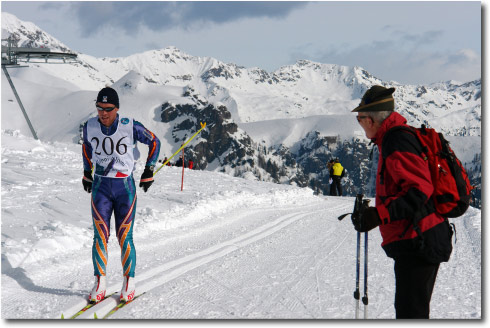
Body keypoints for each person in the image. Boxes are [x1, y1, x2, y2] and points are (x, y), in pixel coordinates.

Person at [351, 85, 453, 319]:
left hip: (420, 240)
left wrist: (379, 215)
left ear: (372, 119)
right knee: (411, 311)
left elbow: (419, 190)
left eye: (360, 118)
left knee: (411, 314)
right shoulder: (392, 137)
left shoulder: (396, 140)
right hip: (418, 239)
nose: (359, 123)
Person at [81, 87, 161, 303]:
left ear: (117, 108)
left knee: (124, 236)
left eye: (108, 109)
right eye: (99, 108)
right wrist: (87, 172)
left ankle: (129, 282)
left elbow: (155, 142)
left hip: (124, 187)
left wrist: (149, 171)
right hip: (100, 187)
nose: (103, 113)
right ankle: (100, 283)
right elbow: (87, 147)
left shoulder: (129, 126)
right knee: (100, 236)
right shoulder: (90, 126)